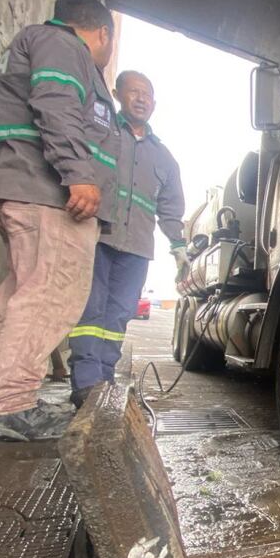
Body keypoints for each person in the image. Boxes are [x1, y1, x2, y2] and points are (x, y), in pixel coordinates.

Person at [0, 0, 120, 441]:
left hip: (22, 184)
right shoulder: (64, 47)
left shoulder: (39, 43)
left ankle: (1, 399)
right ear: (102, 33)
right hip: (43, 189)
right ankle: (8, 405)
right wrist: (78, 174)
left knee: (23, 293)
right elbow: (55, 105)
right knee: (50, 292)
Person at [68, 70, 187, 406]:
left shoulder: (164, 158)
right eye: (134, 91)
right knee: (90, 311)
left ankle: (102, 379)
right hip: (96, 236)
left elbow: (170, 207)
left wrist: (178, 247)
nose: (141, 99)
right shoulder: (101, 134)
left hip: (136, 247)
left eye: (147, 94)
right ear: (118, 94)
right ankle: (85, 383)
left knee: (118, 315)